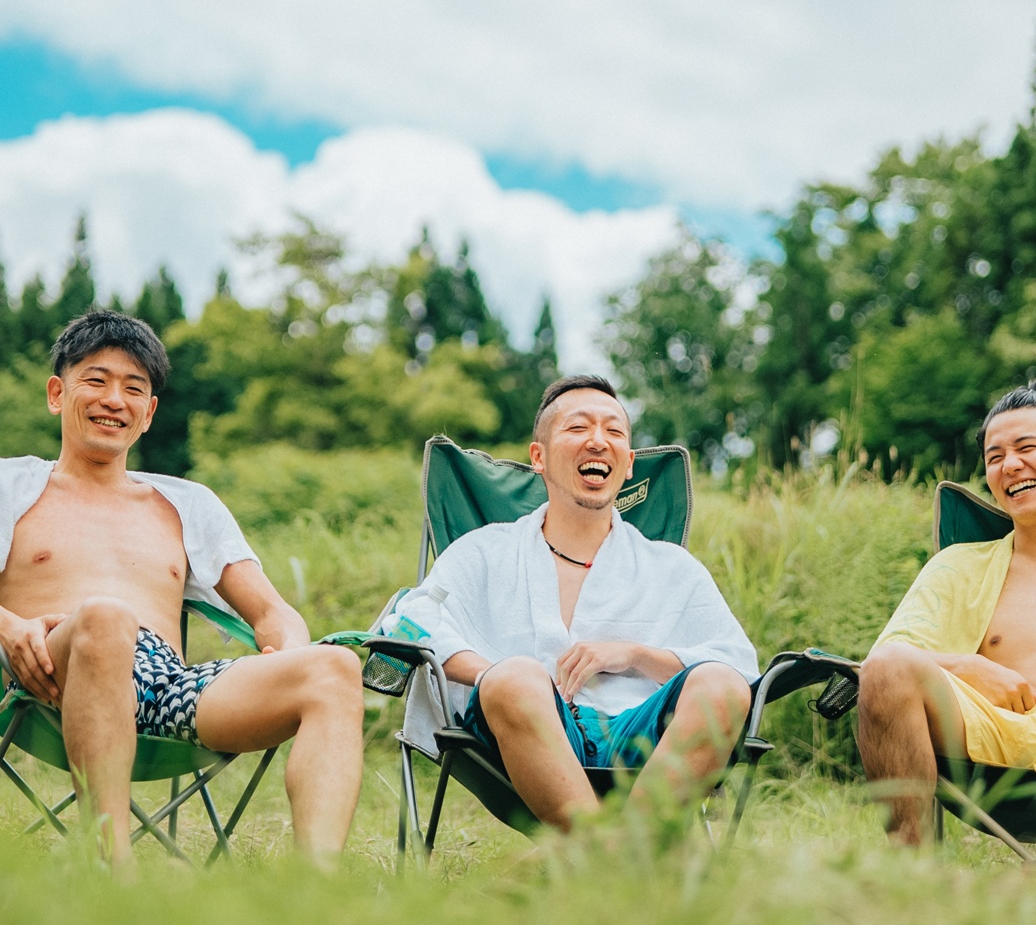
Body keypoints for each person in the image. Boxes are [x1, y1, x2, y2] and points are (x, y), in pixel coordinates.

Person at [0, 310, 363, 868]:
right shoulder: (12, 483)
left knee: (334, 668)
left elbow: (271, 610)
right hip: (48, 675)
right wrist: (9, 625)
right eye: (95, 381)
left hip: (170, 685)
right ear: (57, 393)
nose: (113, 400)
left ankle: (314, 886)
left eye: (133, 389)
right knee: (105, 617)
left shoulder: (186, 503)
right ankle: (110, 870)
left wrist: (289, 652)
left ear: (148, 413)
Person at [394, 374, 758, 833]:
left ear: (628, 465)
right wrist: (493, 674)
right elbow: (407, 621)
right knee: (517, 674)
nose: (598, 442)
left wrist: (635, 654)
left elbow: (739, 666)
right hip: (522, 730)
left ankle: (593, 858)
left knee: (722, 686)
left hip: (638, 733)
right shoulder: (483, 551)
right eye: (578, 428)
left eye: (613, 431)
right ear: (539, 457)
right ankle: (619, 861)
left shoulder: (672, 568)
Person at [858, 374, 1036, 845]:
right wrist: (971, 667)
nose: (1010, 465)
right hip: (983, 739)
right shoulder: (959, 566)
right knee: (887, 668)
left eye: (1027, 447)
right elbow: (881, 661)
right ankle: (908, 881)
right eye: (994, 457)